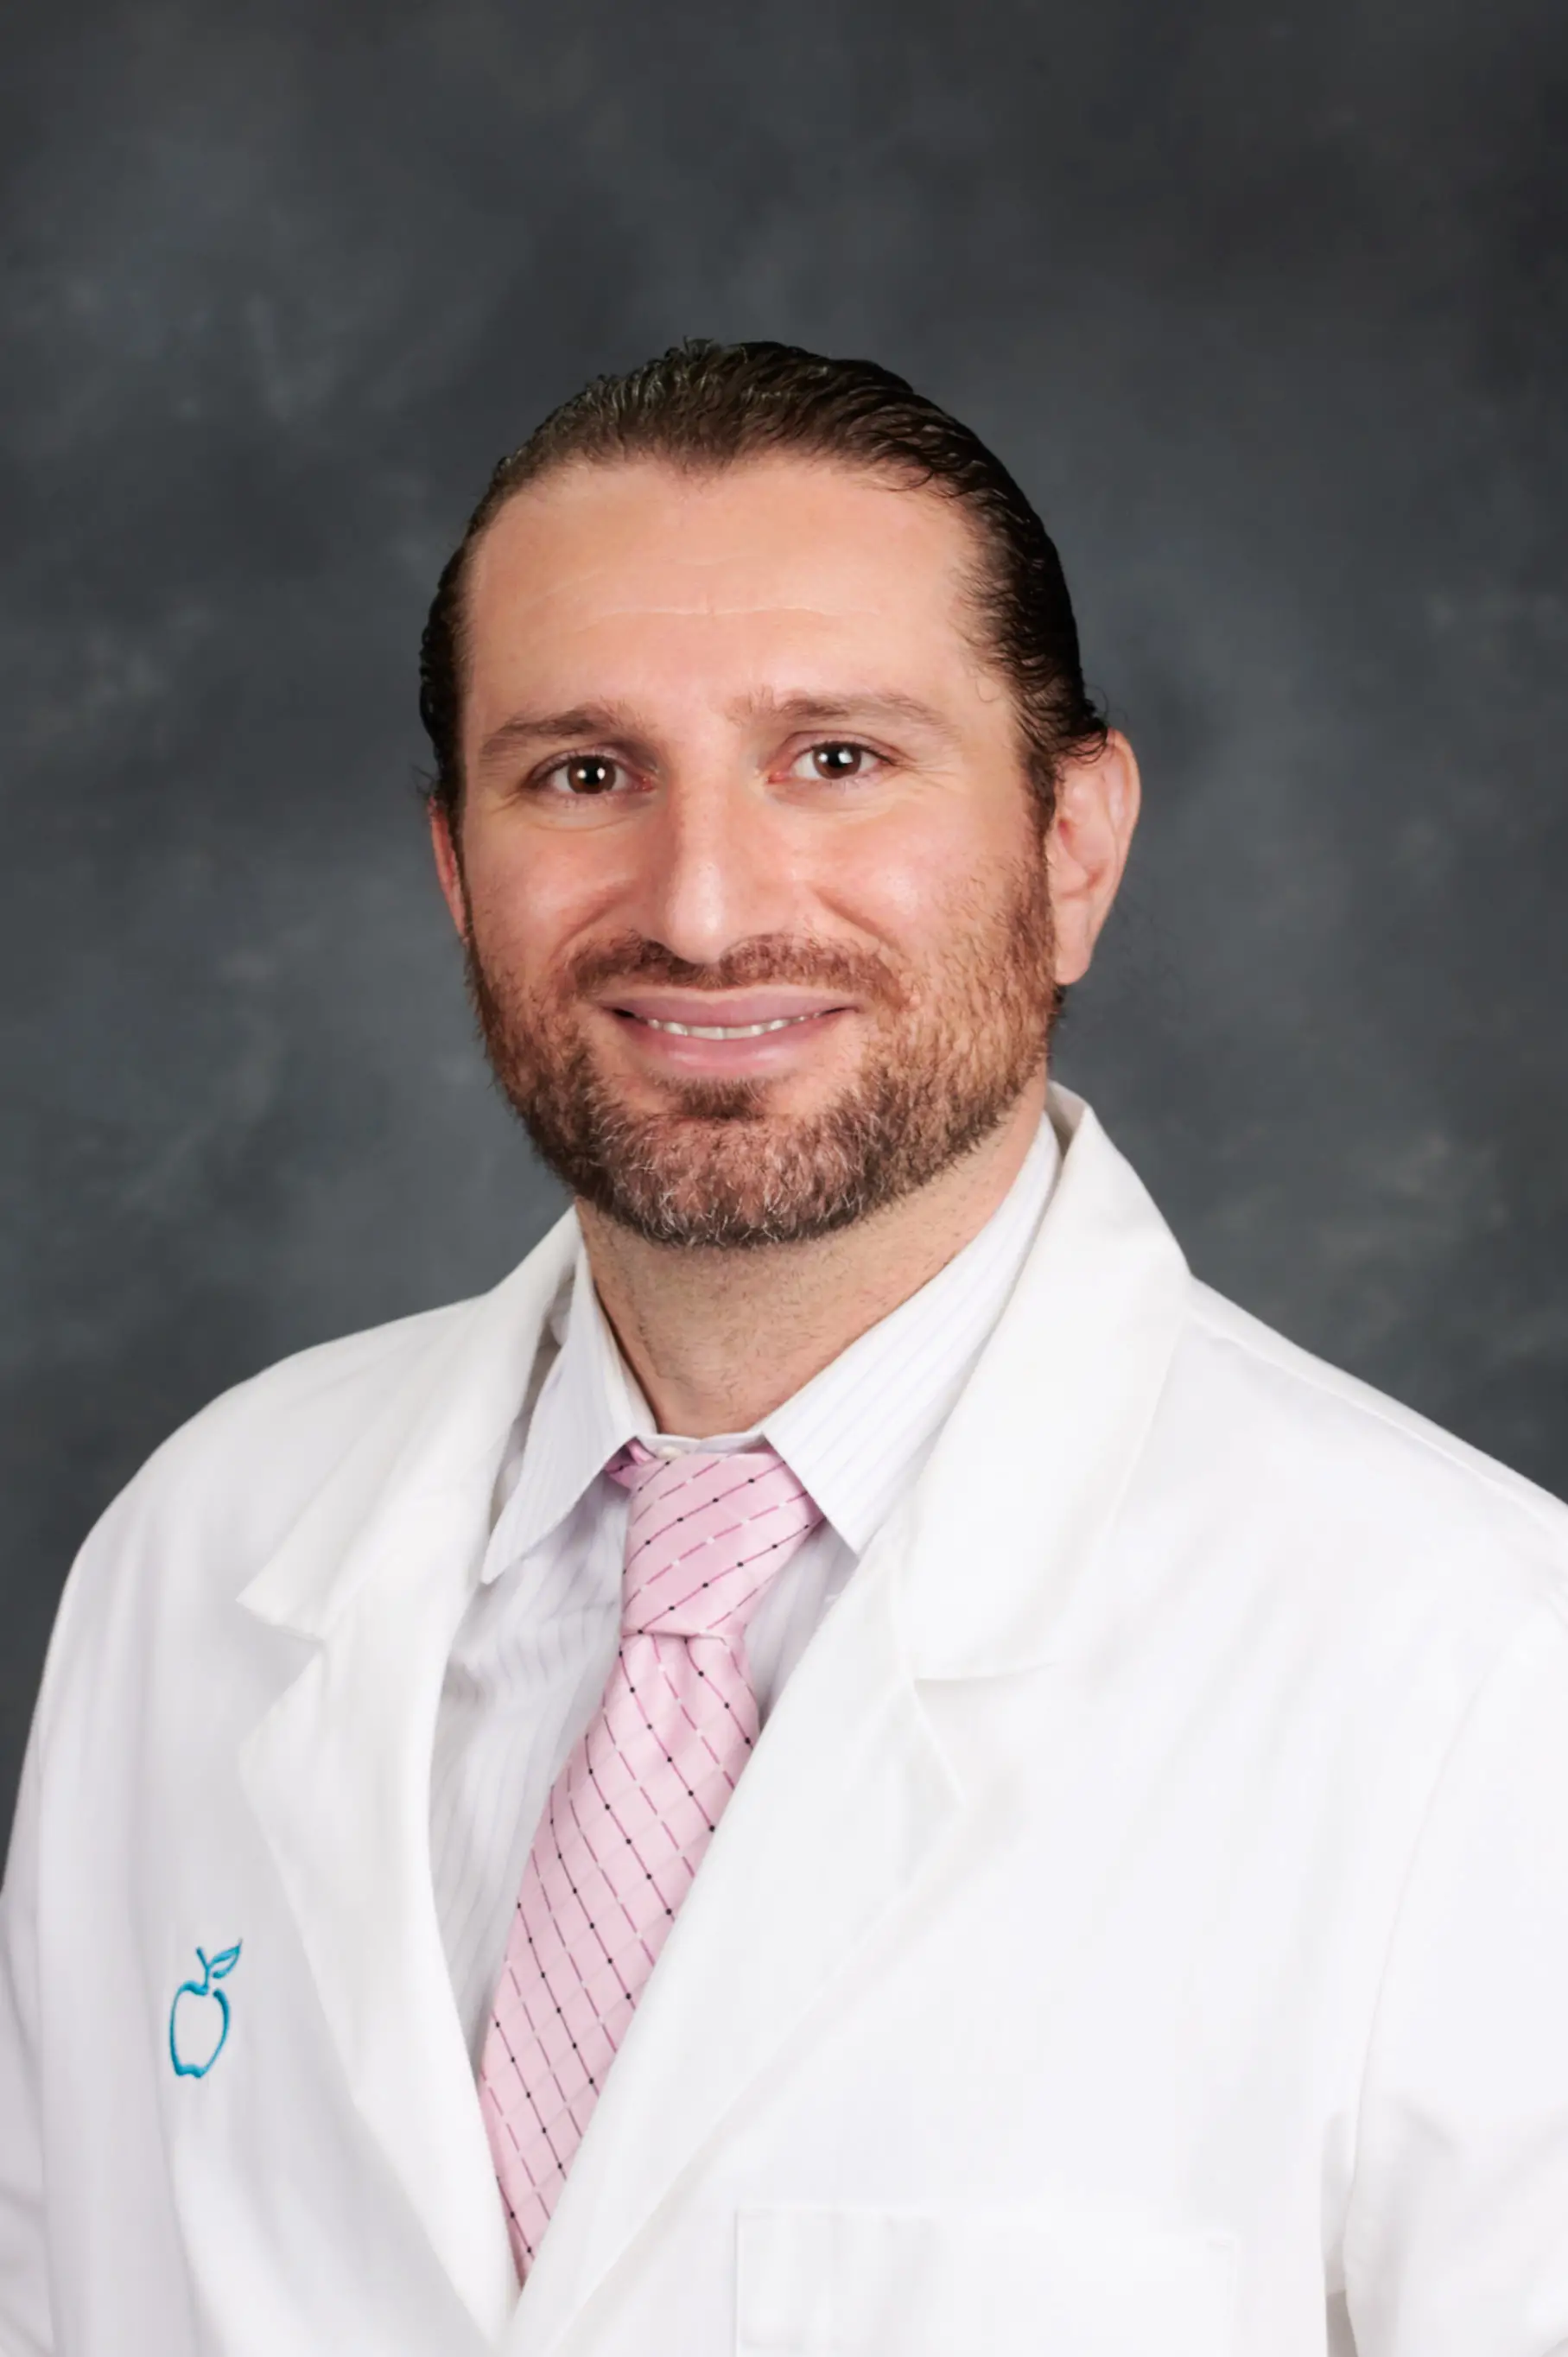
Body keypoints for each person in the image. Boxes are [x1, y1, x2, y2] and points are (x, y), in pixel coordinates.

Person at [2, 340, 1565, 2357]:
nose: (709, 907)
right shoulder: (201, 1552)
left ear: (1071, 846)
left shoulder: (1480, 1673)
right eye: (583, 771)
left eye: (835, 756)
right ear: (455, 865)